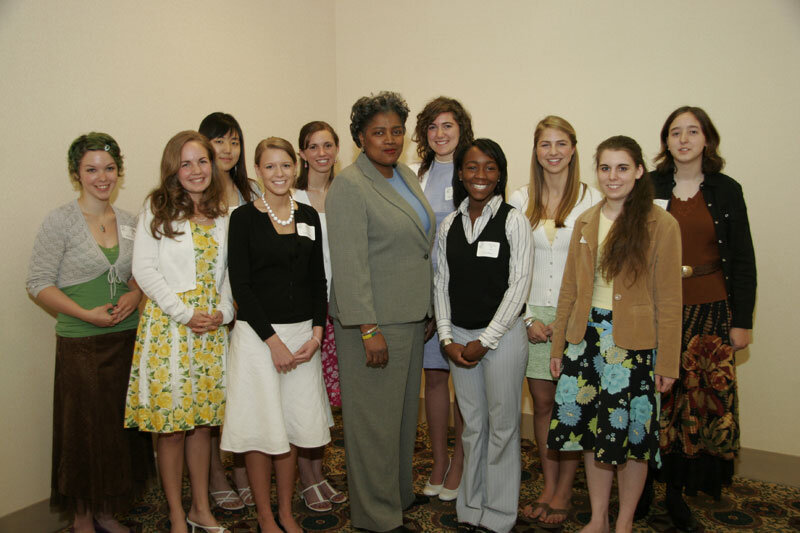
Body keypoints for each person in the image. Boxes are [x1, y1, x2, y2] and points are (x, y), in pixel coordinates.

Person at [547, 136, 681, 533]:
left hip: (633, 346)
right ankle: (599, 517)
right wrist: (560, 345)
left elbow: (671, 300)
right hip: (586, 341)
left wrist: (669, 362)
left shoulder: (661, 224)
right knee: (592, 432)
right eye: (605, 168)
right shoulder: (587, 220)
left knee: (632, 438)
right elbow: (569, 289)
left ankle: (624, 522)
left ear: (639, 171)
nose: (613, 176)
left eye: (622, 168)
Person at [27, 132, 153, 533]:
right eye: (92, 169)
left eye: (110, 168)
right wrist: (85, 313)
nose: (102, 177)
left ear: (120, 171)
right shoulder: (60, 221)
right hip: (81, 344)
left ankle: (106, 512)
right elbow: (37, 282)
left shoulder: (134, 221)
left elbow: (145, 276)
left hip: (127, 340)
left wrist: (136, 295)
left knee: (119, 432)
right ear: (76, 174)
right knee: (84, 435)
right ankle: (82, 518)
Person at [326, 91, 435, 533]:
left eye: (396, 131)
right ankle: (375, 516)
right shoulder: (350, 186)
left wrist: (426, 309)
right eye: (378, 132)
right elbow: (350, 265)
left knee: (403, 419)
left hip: (409, 317)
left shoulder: (405, 174)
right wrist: (368, 328)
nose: (389, 139)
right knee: (373, 425)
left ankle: (396, 496)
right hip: (372, 323)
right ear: (359, 138)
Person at [650, 106, 756, 531]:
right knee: (655, 401)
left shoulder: (727, 190)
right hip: (658, 311)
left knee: (695, 406)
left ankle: (677, 493)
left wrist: (742, 320)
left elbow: (743, 259)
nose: (684, 139)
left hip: (710, 312)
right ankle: (643, 487)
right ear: (666, 142)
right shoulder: (651, 186)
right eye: (675, 132)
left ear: (706, 139)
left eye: (692, 131)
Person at [124, 131, 234, 533]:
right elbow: (145, 270)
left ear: (213, 164)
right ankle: (175, 513)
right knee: (171, 429)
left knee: (203, 424)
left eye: (202, 161)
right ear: (174, 168)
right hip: (170, 331)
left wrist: (222, 312)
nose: (195, 170)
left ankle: (200, 508)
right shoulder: (156, 208)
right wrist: (184, 312)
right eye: (185, 163)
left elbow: (227, 274)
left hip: (209, 331)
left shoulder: (224, 212)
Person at [221, 137, 331, 533]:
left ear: (295, 168)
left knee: (296, 428)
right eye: (270, 167)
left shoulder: (309, 215)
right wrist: (273, 342)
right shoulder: (243, 218)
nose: (279, 174)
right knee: (260, 427)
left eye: (285, 165)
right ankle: (265, 516)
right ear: (258, 172)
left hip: (304, 338)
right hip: (257, 338)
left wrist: (317, 334)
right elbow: (242, 287)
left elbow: (319, 280)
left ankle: (286, 510)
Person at [434, 138, 532, 533]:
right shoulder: (449, 225)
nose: (480, 175)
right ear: (460, 173)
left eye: (490, 167)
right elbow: (440, 283)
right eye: (472, 167)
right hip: (459, 337)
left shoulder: (513, 220)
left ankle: (500, 514)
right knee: (472, 426)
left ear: (500, 175)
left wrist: (486, 340)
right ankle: (470, 506)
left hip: (503, 339)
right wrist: (446, 338)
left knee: (504, 426)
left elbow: (519, 284)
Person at [508, 116, 602, 527]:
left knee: (572, 408)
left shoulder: (592, 200)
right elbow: (512, 267)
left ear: (574, 148)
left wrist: (567, 322)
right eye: (545, 144)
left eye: (561, 143)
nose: (553, 152)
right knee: (543, 404)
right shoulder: (519, 198)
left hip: (575, 317)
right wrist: (527, 316)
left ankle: (565, 491)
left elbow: (595, 270)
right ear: (536, 150)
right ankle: (548, 486)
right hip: (528, 315)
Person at [410, 96, 474, 502]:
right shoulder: (416, 173)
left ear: (461, 128)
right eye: (432, 127)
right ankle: (437, 461)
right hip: (425, 293)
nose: (440, 134)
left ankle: (462, 465)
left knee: (465, 386)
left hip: (464, 292)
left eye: (447, 125)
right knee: (434, 380)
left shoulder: (474, 168)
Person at [198, 111, 259, 510]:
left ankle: (240, 470)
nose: (227, 149)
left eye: (234, 142)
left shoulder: (250, 190)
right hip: (211, 310)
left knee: (242, 394)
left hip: (249, 306)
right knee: (211, 397)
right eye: (219, 141)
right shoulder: (196, 191)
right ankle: (215, 476)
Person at [292, 121, 348, 512]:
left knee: (325, 401)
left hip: (342, 305)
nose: (321, 153)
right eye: (313, 146)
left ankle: (318, 473)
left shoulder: (346, 192)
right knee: (304, 395)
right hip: (305, 307)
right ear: (302, 153)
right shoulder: (290, 195)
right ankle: (306, 479)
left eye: (328, 145)